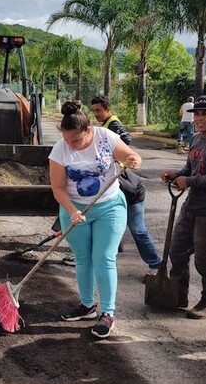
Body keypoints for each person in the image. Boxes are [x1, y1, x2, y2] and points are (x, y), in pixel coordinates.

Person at [50, 101, 143, 339]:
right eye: (67, 140)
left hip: (109, 206)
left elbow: (132, 156)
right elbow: (58, 188)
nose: (71, 145)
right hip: (74, 209)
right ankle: (87, 306)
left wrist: (133, 160)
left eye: (76, 141)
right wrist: (71, 210)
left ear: (88, 129)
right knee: (83, 259)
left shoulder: (105, 137)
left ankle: (108, 313)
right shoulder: (60, 150)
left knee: (103, 257)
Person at [61, 95, 160, 278]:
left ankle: (157, 265)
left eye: (99, 110)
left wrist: (125, 158)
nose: (97, 114)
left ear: (108, 109)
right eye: (94, 111)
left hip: (128, 190)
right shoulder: (96, 132)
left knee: (137, 229)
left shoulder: (112, 127)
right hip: (109, 192)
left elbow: (127, 144)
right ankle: (103, 251)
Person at [160, 95, 206, 319]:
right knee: (177, 251)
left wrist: (189, 181)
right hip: (191, 206)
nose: (200, 118)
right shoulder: (195, 138)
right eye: (197, 115)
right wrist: (177, 174)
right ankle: (177, 295)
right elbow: (191, 169)